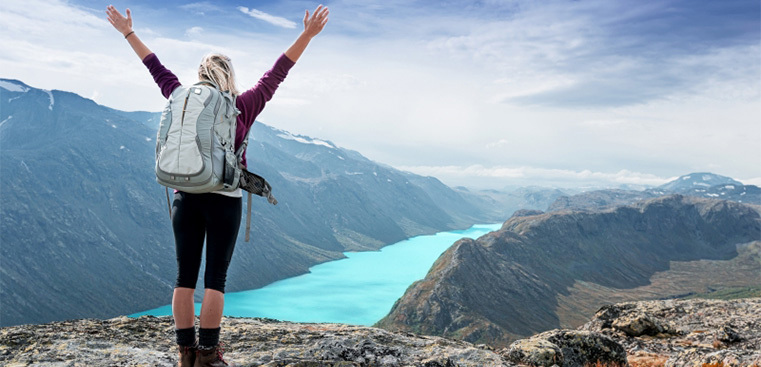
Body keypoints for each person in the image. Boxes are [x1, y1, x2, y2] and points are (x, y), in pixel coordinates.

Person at [106, 4, 329, 367]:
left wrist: (128, 32)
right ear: (229, 77)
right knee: (215, 280)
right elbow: (278, 72)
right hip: (224, 199)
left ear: (201, 76)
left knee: (184, 277)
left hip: (184, 198)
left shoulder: (179, 96)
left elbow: (154, 66)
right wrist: (307, 34)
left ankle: (185, 353)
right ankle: (208, 356)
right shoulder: (244, 104)